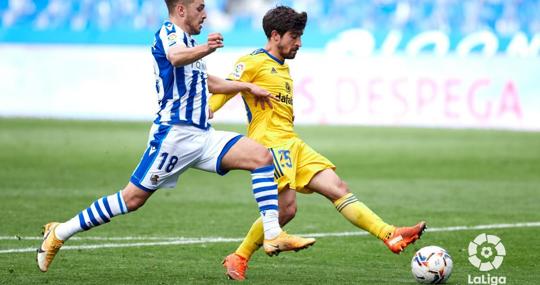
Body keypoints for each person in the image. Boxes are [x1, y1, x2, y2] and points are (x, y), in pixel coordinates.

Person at [36, 0, 316, 273]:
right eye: (200, 8)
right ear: (181, 9)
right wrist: (208, 47)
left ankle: (272, 234)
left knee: (261, 156)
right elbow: (174, 57)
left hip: (203, 136)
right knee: (131, 199)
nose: (205, 14)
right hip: (175, 136)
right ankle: (59, 232)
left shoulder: (190, 44)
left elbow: (206, 81)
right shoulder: (169, 34)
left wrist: (246, 87)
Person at [209, 6, 426, 281]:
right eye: (294, 36)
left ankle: (390, 234)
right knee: (286, 209)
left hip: (293, 142)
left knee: (338, 187)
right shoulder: (251, 62)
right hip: (270, 145)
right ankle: (239, 256)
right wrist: (208, 110)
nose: (299, 43)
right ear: (275, 35)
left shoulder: (282, 66)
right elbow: (226, 87)